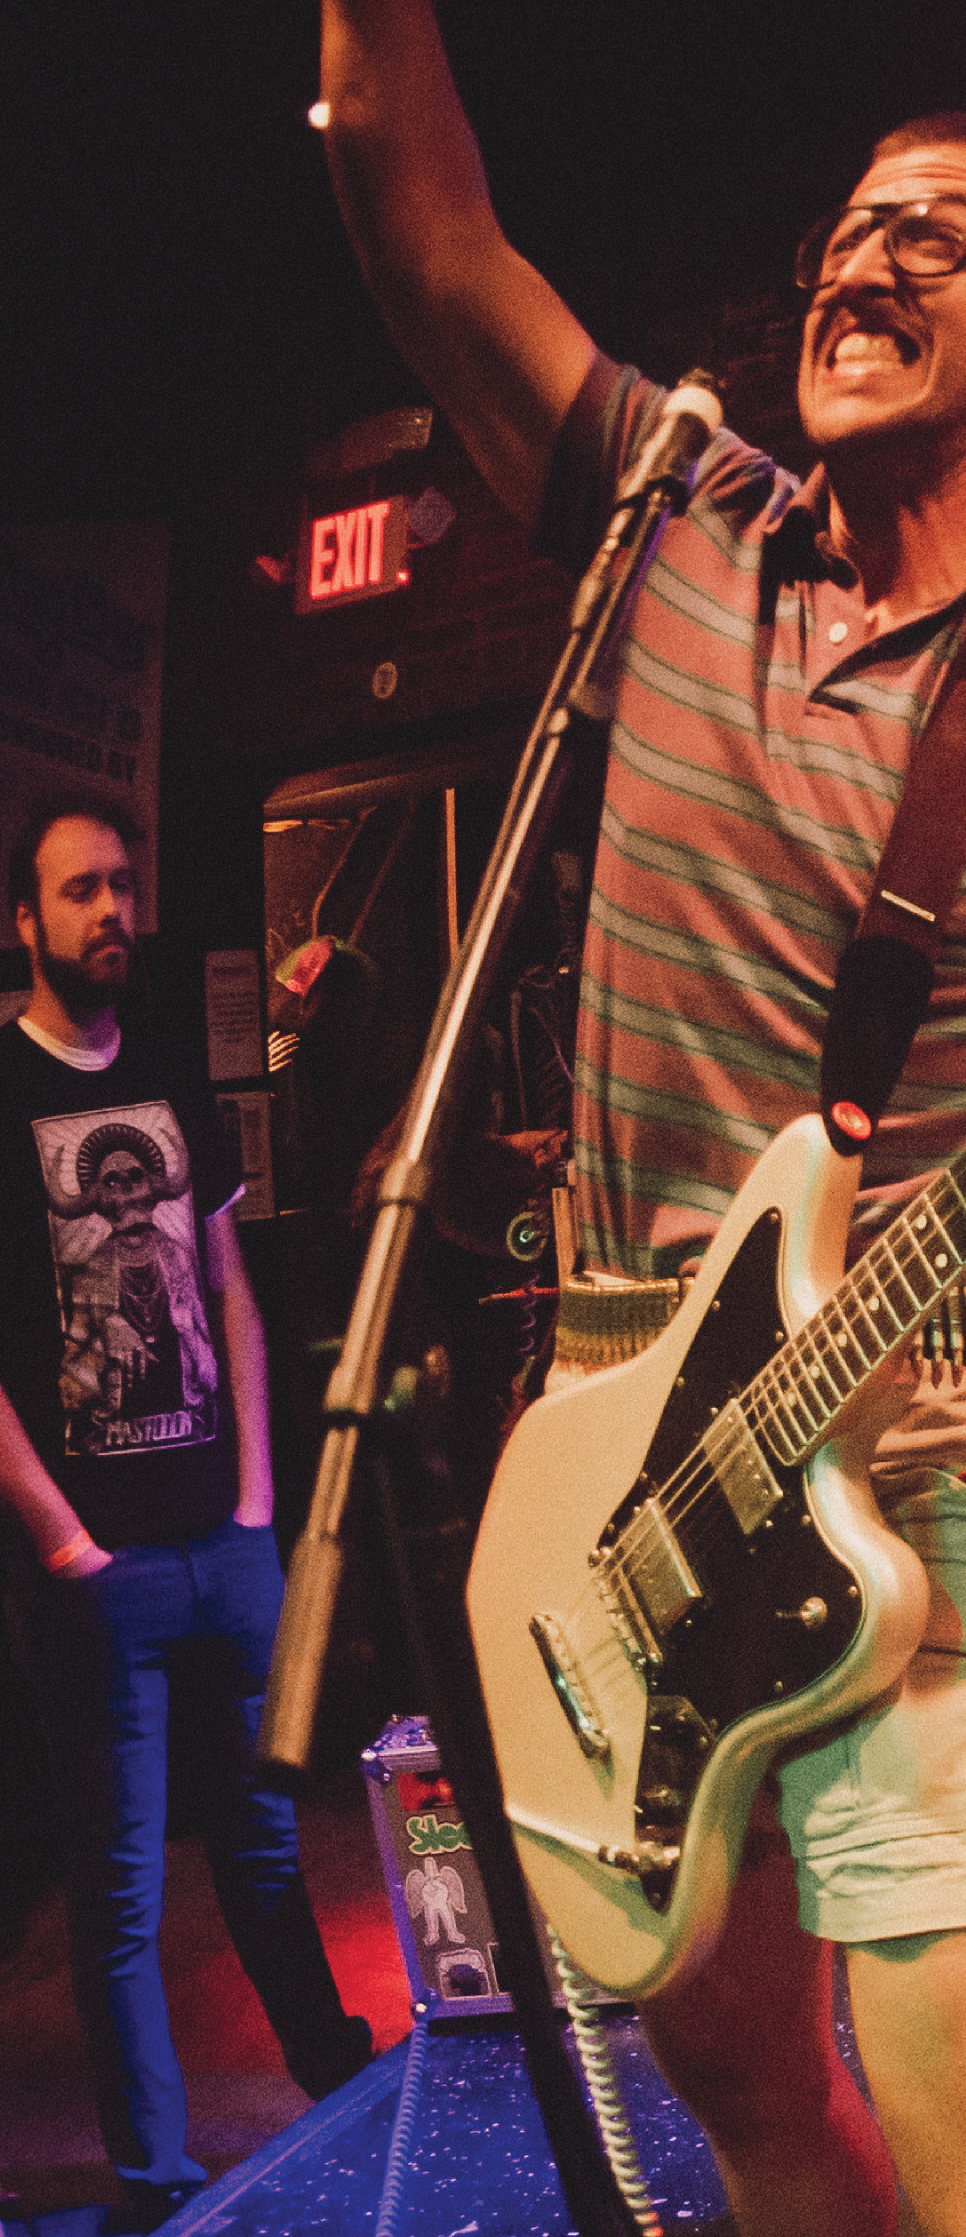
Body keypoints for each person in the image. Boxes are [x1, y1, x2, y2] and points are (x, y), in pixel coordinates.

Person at [318, 0, 966, 2231]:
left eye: (934, 240)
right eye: (848, 228)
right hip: (603, 1446)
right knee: (760, 2120)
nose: (857, 262)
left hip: (928, 1446)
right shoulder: (672, 521)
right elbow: (408, 202)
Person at [0, 799, 380, 2232]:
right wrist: (62, 1544)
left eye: (121, 886)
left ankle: (342, 2091)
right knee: (119, 1899)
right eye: (78, 891)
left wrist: (260, 1499)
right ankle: (158, 2182)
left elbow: (227, 1284)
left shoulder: (169, 1072)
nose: (111, 910)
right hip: (98, 1571)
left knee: (271, 1844)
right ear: (25, 923)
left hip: (224, 1542)